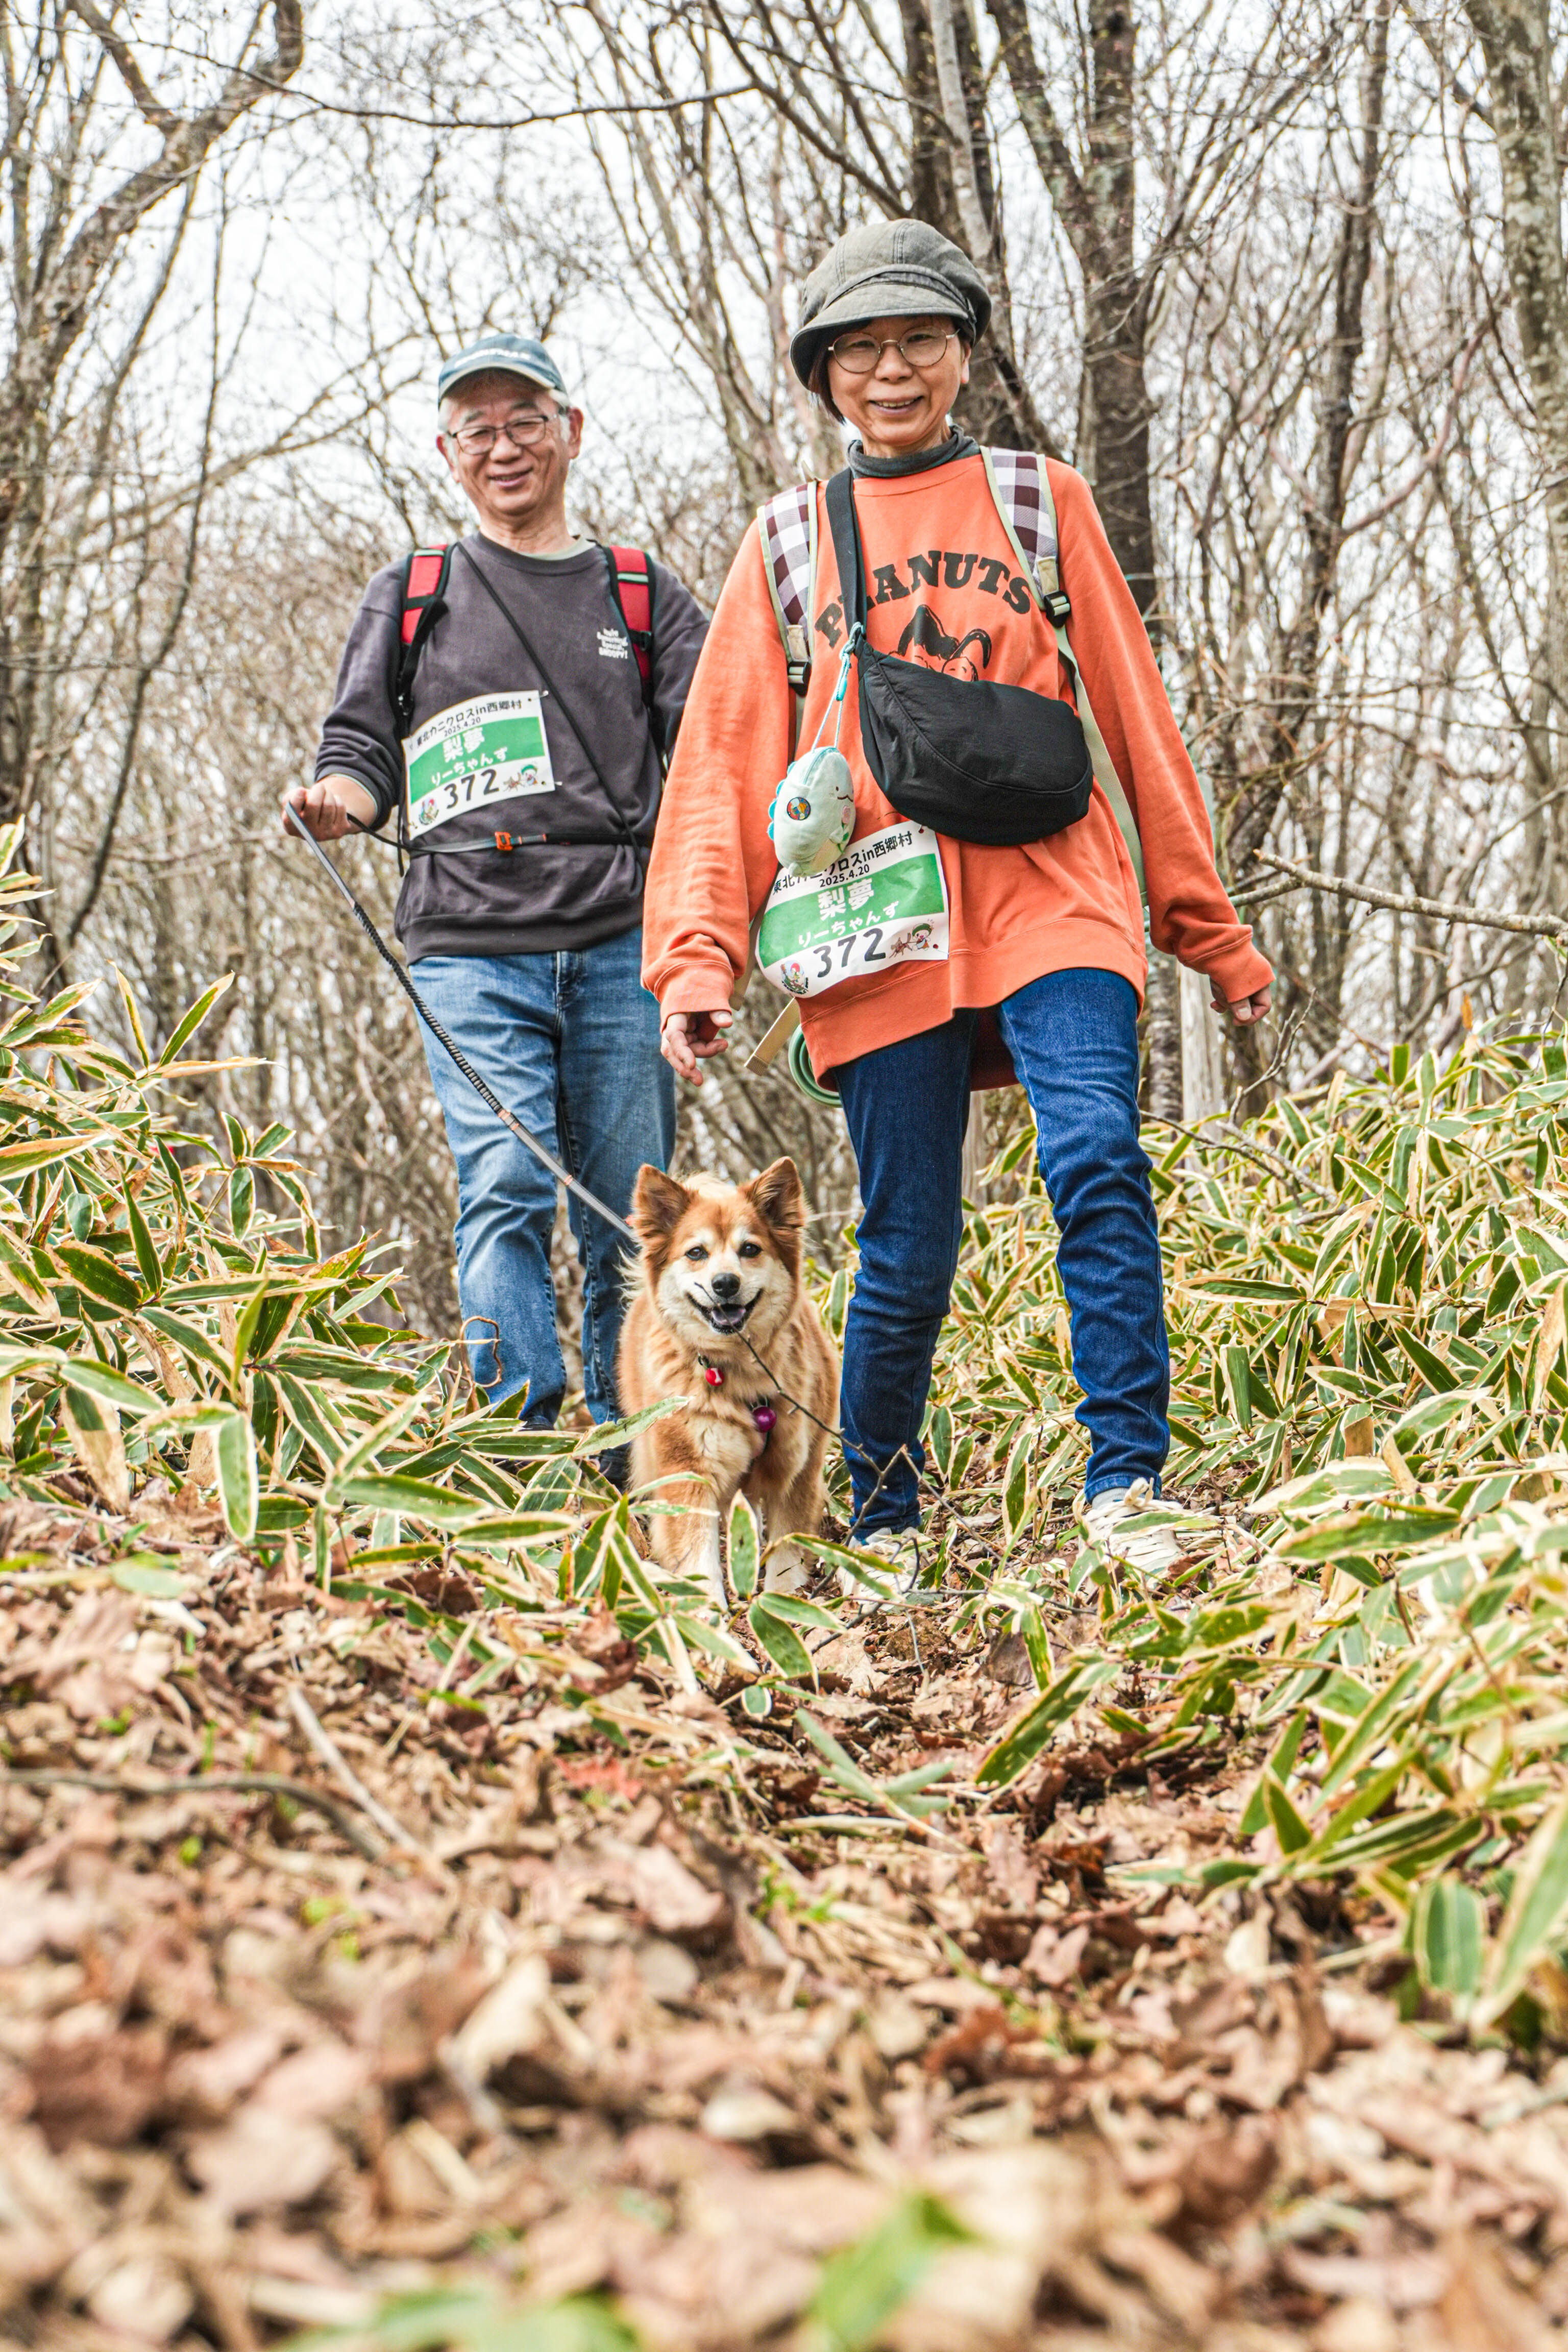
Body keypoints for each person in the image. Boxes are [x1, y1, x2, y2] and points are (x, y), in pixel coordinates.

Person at [643, 223, 1273, 1580]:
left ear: (965, 355)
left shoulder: (1041, 503)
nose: (891, 369)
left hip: (1059, 893)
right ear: (824, 375)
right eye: (860, 349)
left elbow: (1135, 712)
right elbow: (721, 765)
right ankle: (885, 1519)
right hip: (882, 928)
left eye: (919, 339)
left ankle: (1127, 1484)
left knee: (1098, 1156)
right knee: (908, 1233)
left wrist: (1205, 925)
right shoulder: (791, 542)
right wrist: (697, 960)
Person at [286, 334, 707, 1427]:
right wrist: (340, 803)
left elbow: (717, 745)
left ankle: (632, 1455)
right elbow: (360, 748)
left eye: (525, 420)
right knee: (508, 1189)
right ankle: (524, 1448)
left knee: (634, 1219)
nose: (504, 446)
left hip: (625, 945)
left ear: (571, 432)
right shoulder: (415, 590)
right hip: (469, 949)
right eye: (478, 429)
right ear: (447, 451)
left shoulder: (637, 588)